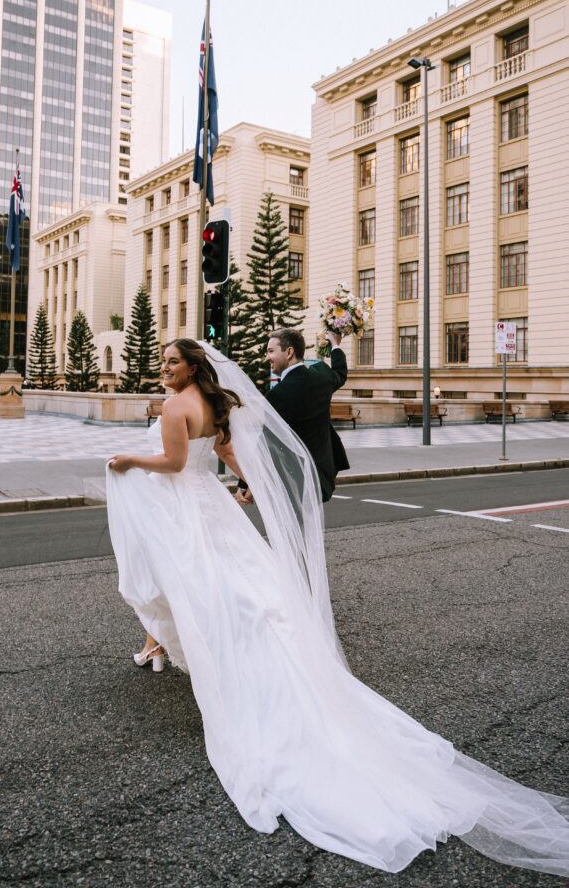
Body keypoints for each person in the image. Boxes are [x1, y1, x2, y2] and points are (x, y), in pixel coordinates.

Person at [106, 339, 569, 877]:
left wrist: (125, 459)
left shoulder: (174, 406)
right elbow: (230, 455)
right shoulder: (217, 404)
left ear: (192, 369)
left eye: (172, 362)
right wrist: (251, 486)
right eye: (162, 360)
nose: (164, 368)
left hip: (184, 510)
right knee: (243, 592)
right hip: (212, 509)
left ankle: (197, 658)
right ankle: (163, 646)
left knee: (201, 589)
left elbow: (174, 462)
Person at [236, 327, 349, 506]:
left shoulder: (278, 394)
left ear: (289, 352)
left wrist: (245, 483)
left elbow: (266, 442)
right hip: (321, 474)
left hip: (291, 479)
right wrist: (335, 344)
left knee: (291, 532)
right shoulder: (322, 376)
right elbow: (340, 372)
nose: (267, 357)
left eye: (271, 351)